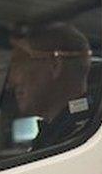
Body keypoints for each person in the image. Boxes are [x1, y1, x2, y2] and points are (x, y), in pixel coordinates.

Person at [6, 22, 93, 151]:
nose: (11, 82)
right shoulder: (60, 134)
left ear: (55, 65)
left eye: (20, 65)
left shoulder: (80, 138)